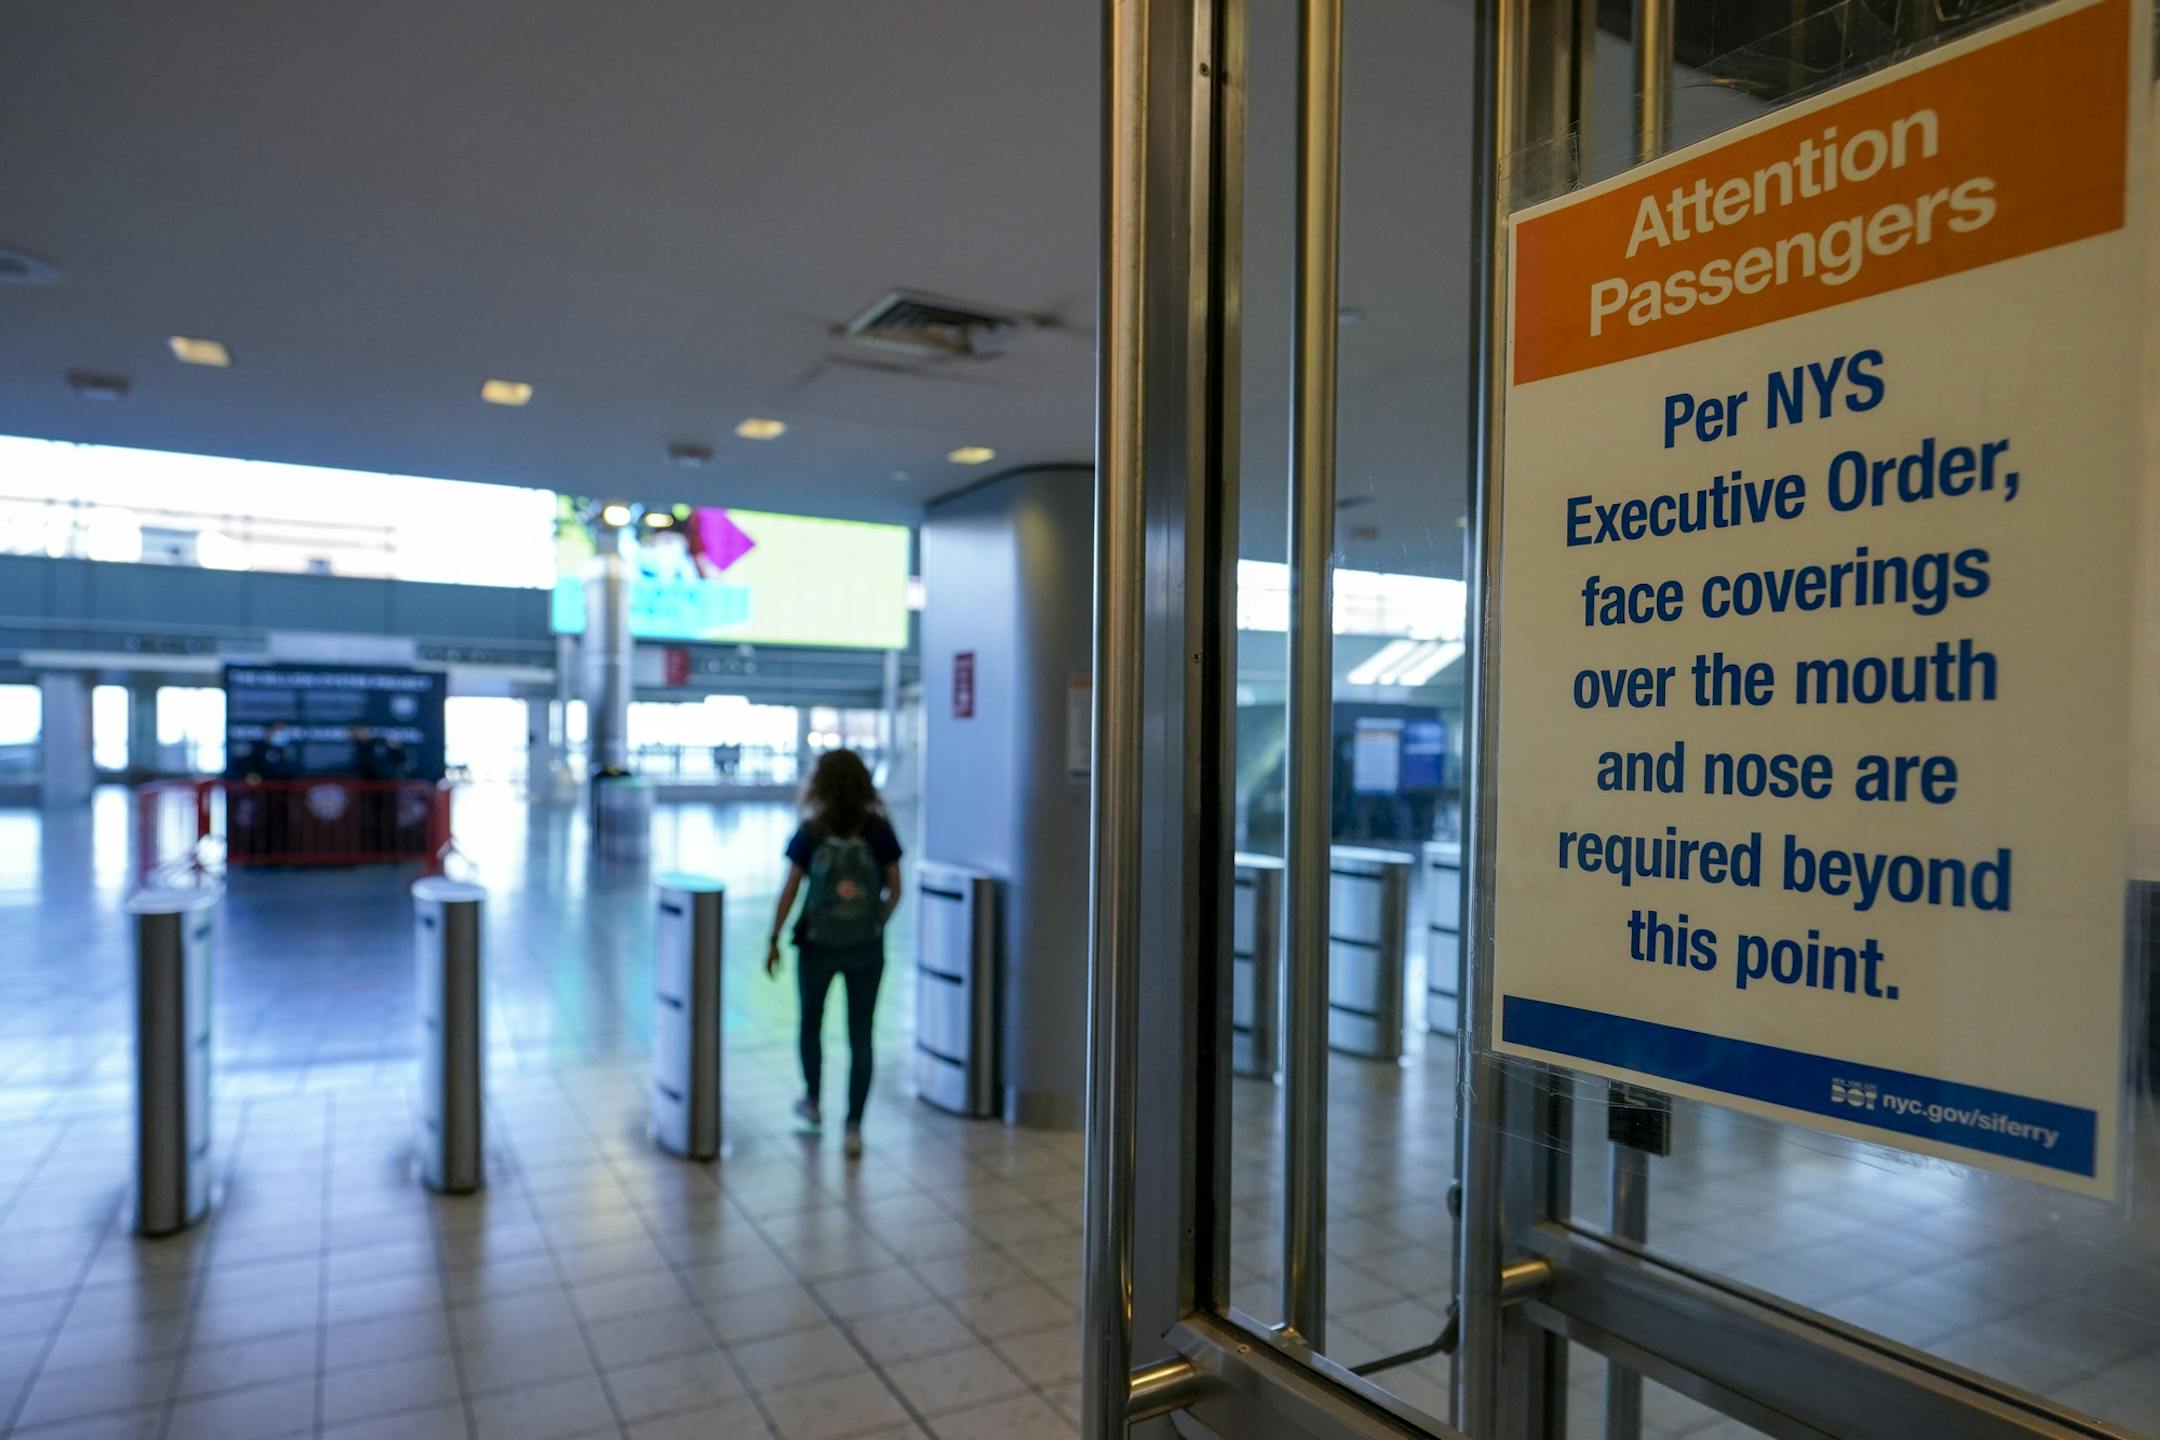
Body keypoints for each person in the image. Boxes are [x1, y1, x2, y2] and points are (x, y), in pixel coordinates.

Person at [765, 749, 903, 1158]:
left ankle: (813, 1101)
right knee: (861, 1034)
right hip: (866, 947)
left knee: (811, 1023)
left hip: (817, 945)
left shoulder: (813, 829)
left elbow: (790, 888)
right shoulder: (878, 829)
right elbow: (896, 888)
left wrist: (773, 938)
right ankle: (854, 1126)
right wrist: (874, 922)